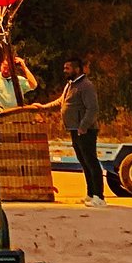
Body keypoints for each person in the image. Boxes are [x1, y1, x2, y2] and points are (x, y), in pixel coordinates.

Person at [35, 57, 104, 207]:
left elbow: (93, 108)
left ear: (77, 69)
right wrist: (43, 107)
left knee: (91, 162)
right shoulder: (70, 85)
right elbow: (62, 101)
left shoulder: (86, 86)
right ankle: (90, 193)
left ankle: (99, 196)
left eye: (67, 68)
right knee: (84, 162)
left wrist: (83, 126)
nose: (64, 71)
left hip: (85, 130)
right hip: (74, 129)